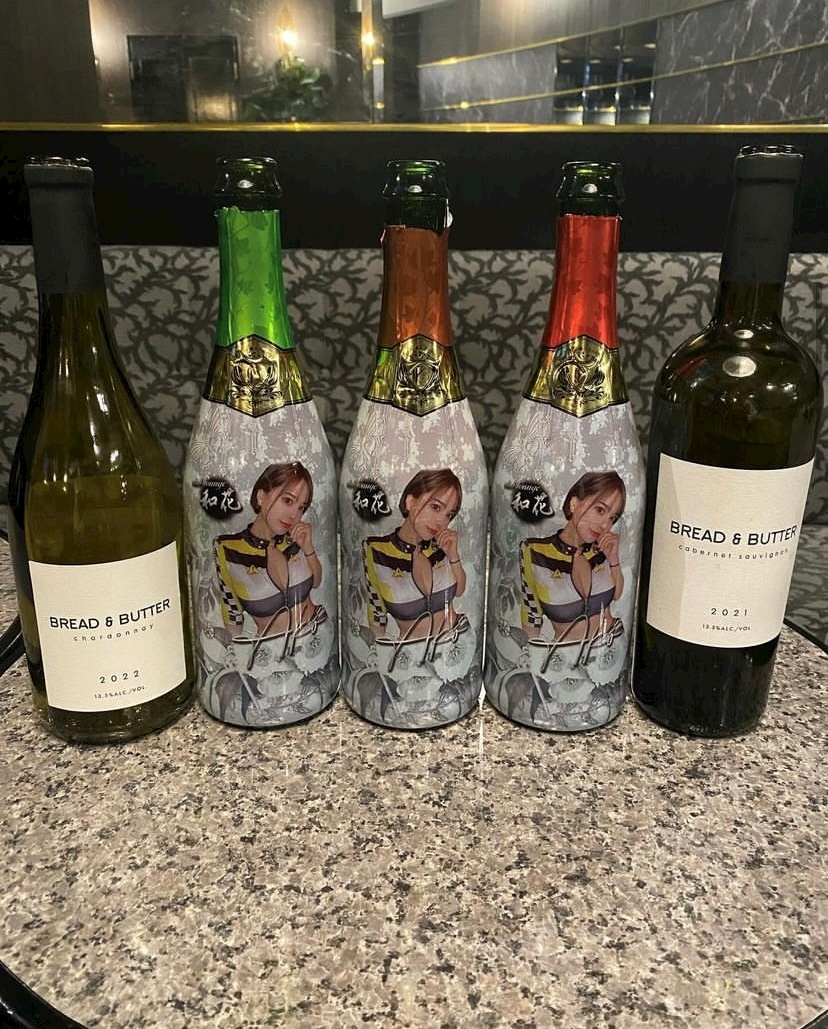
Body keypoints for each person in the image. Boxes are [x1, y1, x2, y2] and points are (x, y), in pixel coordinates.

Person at [214, 462, 323, 641]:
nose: (293, 515)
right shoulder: (229, 549)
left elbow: (317, 582)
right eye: (287, 501)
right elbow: (232, 615)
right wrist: (234, 651)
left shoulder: (295, 540)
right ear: (261, 497)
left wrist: (308, 547)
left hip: (318, 636)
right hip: (268, 651)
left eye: (301, 507)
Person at [519, 470, 626, 644]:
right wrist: (528, 653)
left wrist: (614, 560)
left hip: (611, 646)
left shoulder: (602, 549)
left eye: (612, 518)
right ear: (574, 504)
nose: (605, 525)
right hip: (564, 655)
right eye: (600, 510)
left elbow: (617, 595)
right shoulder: (535, 552)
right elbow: (531, 614)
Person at [363, 468, 466, 642]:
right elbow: (377, 617)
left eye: (449, 515)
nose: (441, 521)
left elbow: (460, 591)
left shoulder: (441, 546)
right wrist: (377, 652)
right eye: (435, 507)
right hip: (409, 653)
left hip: (459, 641)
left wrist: (453, 555)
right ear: (410, 501)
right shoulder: (377, 551)